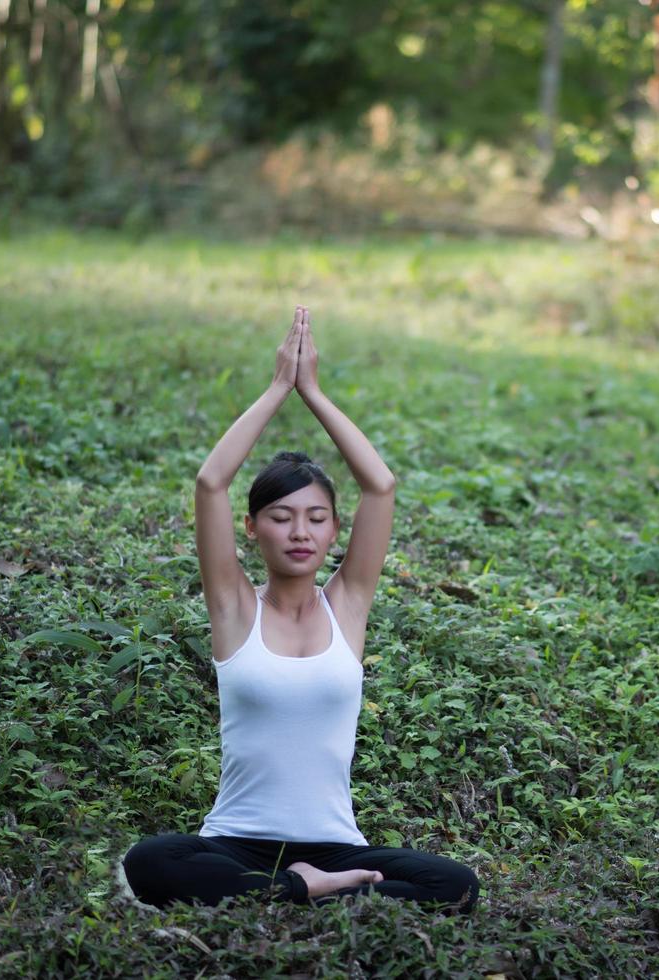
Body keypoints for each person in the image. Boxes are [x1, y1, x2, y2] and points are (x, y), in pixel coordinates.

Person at [122, 306, 480, 914]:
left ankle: (305, 888)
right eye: (281, 517)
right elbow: (211, 482)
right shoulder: (235, 609)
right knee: (148, 861)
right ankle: (309, 893)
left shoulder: (349, 605)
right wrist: (275, 389)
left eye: (316, 518)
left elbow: (381, 486)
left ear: (336, 528)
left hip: (336, 845)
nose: (300, 532)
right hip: (236, 842)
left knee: (457, 883)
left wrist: (311, 390)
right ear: (253, 527)